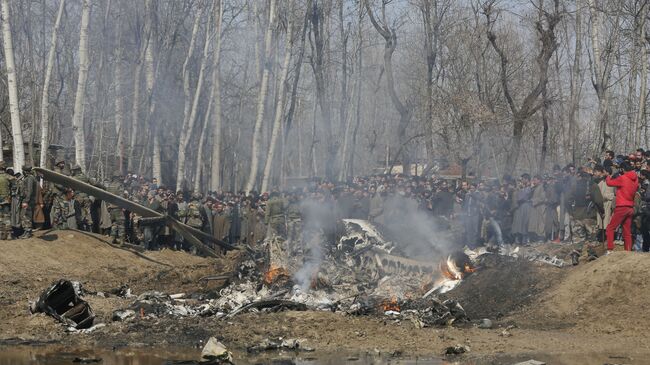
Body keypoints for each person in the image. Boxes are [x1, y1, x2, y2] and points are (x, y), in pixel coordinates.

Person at [605, 161, 639, 252]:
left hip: (621, 207)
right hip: (630, 207)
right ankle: (628, 250)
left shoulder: (623, 178)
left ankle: (610, 249)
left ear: (623, 169)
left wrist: (608, 175)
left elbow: (609, 183)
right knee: (627, 231)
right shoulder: (635, 180)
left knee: (610, 228)